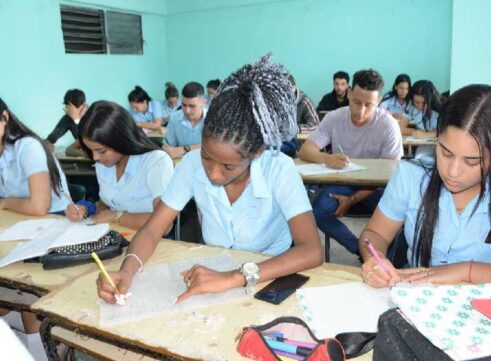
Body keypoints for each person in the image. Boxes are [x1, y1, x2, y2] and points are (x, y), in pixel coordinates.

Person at [96, 54, 323, 304]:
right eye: (206, 156)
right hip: (214, 273)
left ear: (256, 153)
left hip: (270, 276)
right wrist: (127, 270)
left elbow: (311, 250)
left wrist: (232, 278)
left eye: (228, 166)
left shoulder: (279, 169)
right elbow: (152, 230)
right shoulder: (191, 165)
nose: (213, 174)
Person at [363, 84, 491, 361]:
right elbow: (374, 234)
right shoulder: (412, 177)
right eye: (445, 152)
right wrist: (374, 261)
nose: (452, 171)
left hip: (483, 326)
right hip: (413, 310)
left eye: (472, 162)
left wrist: (468, 272)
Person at [300, 69, 403, 255]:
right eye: (356, 102)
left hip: (376, 188)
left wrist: (353, 200)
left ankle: (385, 260)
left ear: (378, 101)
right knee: (317, 212)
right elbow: (306, 150)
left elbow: (392, 172)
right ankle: (361, 251)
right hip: (343, 184)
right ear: (348, 93)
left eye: (368, 105)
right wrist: (327, 158)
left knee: (398, 214)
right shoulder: (334, 118)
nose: (360, 111)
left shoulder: (388, 125)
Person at [0, 97, 71, 361]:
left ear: (5, 118)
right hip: (17, 228)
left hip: (55, 226)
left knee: (26, 295)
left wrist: (5, 202)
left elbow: (39, 205)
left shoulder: (26, 146)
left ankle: (41, 348)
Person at [65, 101, 174, 230]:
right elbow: (111, 203)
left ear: (121, 140)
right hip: (114, 235)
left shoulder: (156, 161)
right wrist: (85, 209)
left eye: (101, 151)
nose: (95, 158)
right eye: (91, 151)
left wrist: (117, 217)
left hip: (150, 240)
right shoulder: (103, 162)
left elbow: (165, 225)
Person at [162, 82, 206, 159]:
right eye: (184, 105)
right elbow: (167, 146)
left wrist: (185, 149)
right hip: (181, 164)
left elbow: (218, 147)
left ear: (203, 102)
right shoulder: (174, 117)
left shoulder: (214, 118)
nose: (187, 111)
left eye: (192, 106)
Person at [45, 89, 87, 156]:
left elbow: (90, 141)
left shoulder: (92, 114)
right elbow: (52, 138)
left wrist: (77, 120)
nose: (65, 110)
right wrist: (46, 144)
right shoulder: (68, 118)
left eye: (68, 106)